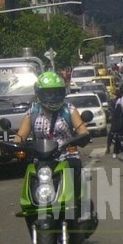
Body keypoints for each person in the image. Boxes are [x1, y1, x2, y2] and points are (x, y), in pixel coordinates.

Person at [13, 72, 93, 220]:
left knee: (75, 167)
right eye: (49, 93)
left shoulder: (69, 109)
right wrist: (16, 145)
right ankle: (31, 205)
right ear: (39, 94)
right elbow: (20, 136)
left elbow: (82, 131)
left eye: (57, 92)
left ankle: (81, 207)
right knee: (31, 174)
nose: (53, 97)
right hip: (42, 158)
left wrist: (80, 138)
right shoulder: (32, 112)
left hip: (66, 155)